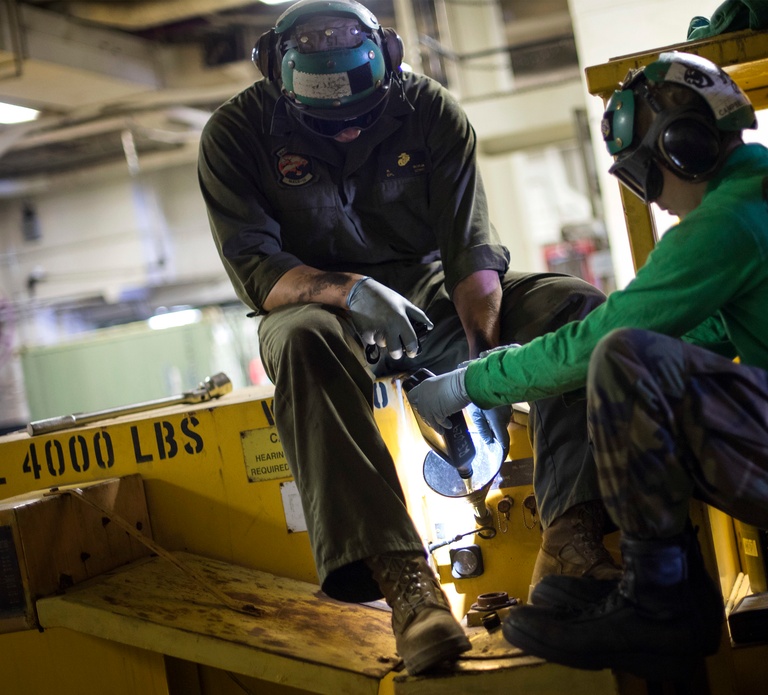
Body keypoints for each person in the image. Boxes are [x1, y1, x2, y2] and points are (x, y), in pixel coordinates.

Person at [407, 51, 768, 679]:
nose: (655, 202)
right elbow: (710, 336)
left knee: (622, 355)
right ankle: (623, 589)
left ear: (681, 148)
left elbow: (602, 342)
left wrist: (469, 382)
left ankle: (662, 602)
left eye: (643, 178)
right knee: (629, 364)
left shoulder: (730, 220)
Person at [197, 0, 609, 676]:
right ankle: (410, 590)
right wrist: (348, 290)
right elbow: (257, 270)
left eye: (362, 121)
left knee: (571, 305)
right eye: (333, 128)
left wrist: (490, 375)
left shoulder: (430, 110)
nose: (351, 135)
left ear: (386, 61)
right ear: (276, 73)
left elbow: (471, 256)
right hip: (309, 300)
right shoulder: (235, 133)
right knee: (303, 342)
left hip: (428, 294)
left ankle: (572, 537)